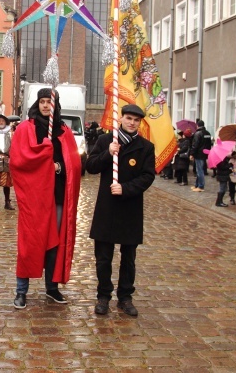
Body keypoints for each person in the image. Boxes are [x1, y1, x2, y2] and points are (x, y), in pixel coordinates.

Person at [9, 88, 81, 309]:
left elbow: (75, 163)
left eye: (50, 101)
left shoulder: (63, 131)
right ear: (37, 104)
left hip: (58, 195)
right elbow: (18, 160)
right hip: (34, 199)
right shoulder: (26, 129)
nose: (46, 105)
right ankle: (21, 290)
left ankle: (52, 287)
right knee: (30, 243)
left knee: (55, 244)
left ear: (55, 104)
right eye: (42, 101)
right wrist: (42, 157)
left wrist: (59, 166)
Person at [87, 104, 155, 316]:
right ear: (121, 118)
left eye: (136, 120)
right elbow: (91, 166)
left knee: (128, 257)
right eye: (128, 118)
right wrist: (108, 154)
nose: (132, 122)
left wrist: (125, 188)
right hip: (107, 208)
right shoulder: (105, 140)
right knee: (104, 257)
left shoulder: (146, 147)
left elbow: (147, 176)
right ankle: (103, 295)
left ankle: (125, 296)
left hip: (130, 208)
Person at [189, 119, 212, 192]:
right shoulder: (208, 133)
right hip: (205, 153)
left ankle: (200, 186)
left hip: (199, 154)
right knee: (200, 169)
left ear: (197, 125)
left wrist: (192, 153)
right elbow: (209, 144)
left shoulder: (198, 133)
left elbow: (195, 145)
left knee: (199, 170)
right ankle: (197, 185)